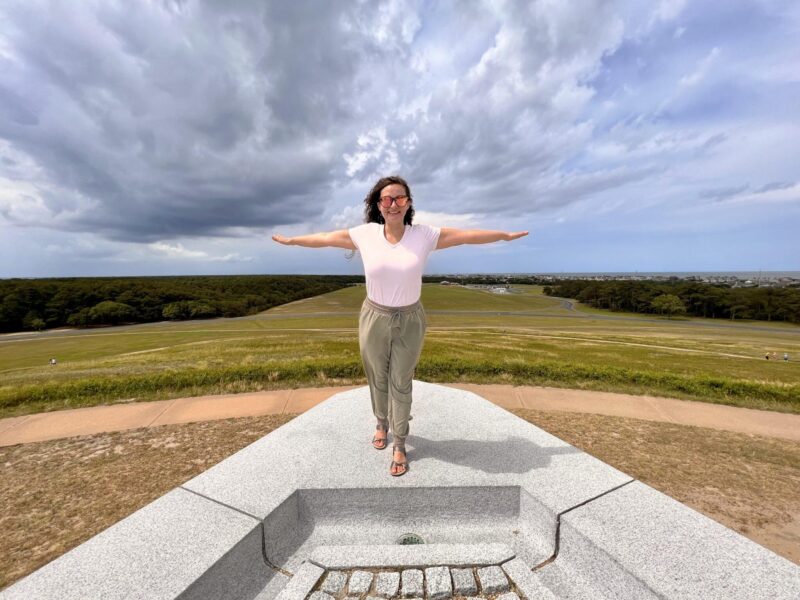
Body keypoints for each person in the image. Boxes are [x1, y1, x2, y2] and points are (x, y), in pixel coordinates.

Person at [273, 175, 527, 476]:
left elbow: (467, 235)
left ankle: (400, 441)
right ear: (378, 205)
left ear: (408, 203)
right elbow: (324, 239)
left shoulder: (424, 235)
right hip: (374, 316)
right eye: (387, 199)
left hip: (410, 318)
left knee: (401, 381)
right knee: (376, 376)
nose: (393, 204)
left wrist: (504, 236)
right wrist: (291, 241)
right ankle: (381, 422)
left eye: (400, 198)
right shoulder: (365, 234)